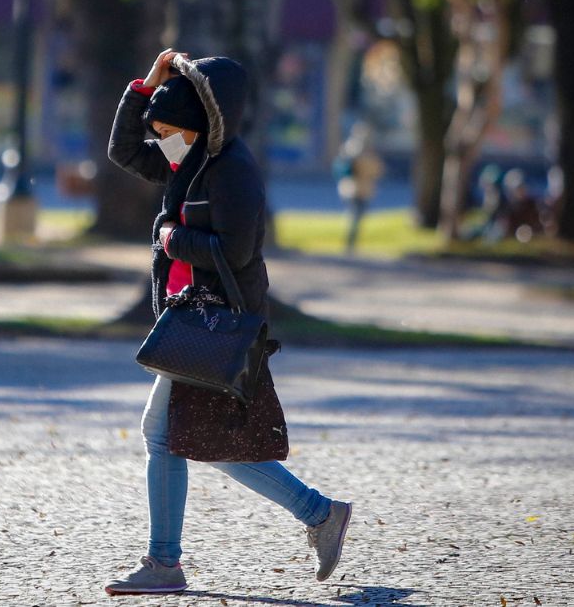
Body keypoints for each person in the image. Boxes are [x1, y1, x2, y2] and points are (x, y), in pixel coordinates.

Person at [102, 49, 352, 596]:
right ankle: (320, 514)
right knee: (190, 439)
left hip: (215, 324)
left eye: (168, 127)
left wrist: (172, 238)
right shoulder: (186, 158)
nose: (160, 136)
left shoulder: (232, 171)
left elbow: (236, 252)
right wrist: (146, 87)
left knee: (170, 437)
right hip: (189, 319)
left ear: (197, 124)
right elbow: (122, 150)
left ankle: (166, 564)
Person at [333, 121, 385, 254]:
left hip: (354, 188)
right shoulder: (360, 150)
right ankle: (350, 244)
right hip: (356, 188)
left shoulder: (350, 148)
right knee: (355, 216)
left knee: (356, 216)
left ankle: (351, 243)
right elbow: (374, 169)